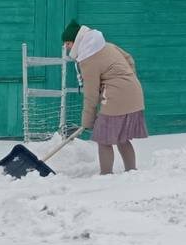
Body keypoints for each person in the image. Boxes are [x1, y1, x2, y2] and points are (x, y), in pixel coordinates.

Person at [63, 20, 147, 174]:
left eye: (68, 43)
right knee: (122, 137)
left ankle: (106, 175)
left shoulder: (88, 59)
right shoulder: (106, 45)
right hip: (134, 92)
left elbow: (91, 93)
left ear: (77, 41)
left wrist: (87, 120)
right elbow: (129, 59)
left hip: (117, 97)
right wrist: (127, 81)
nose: (66, 47)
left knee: (103, 138)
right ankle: (131, 171)